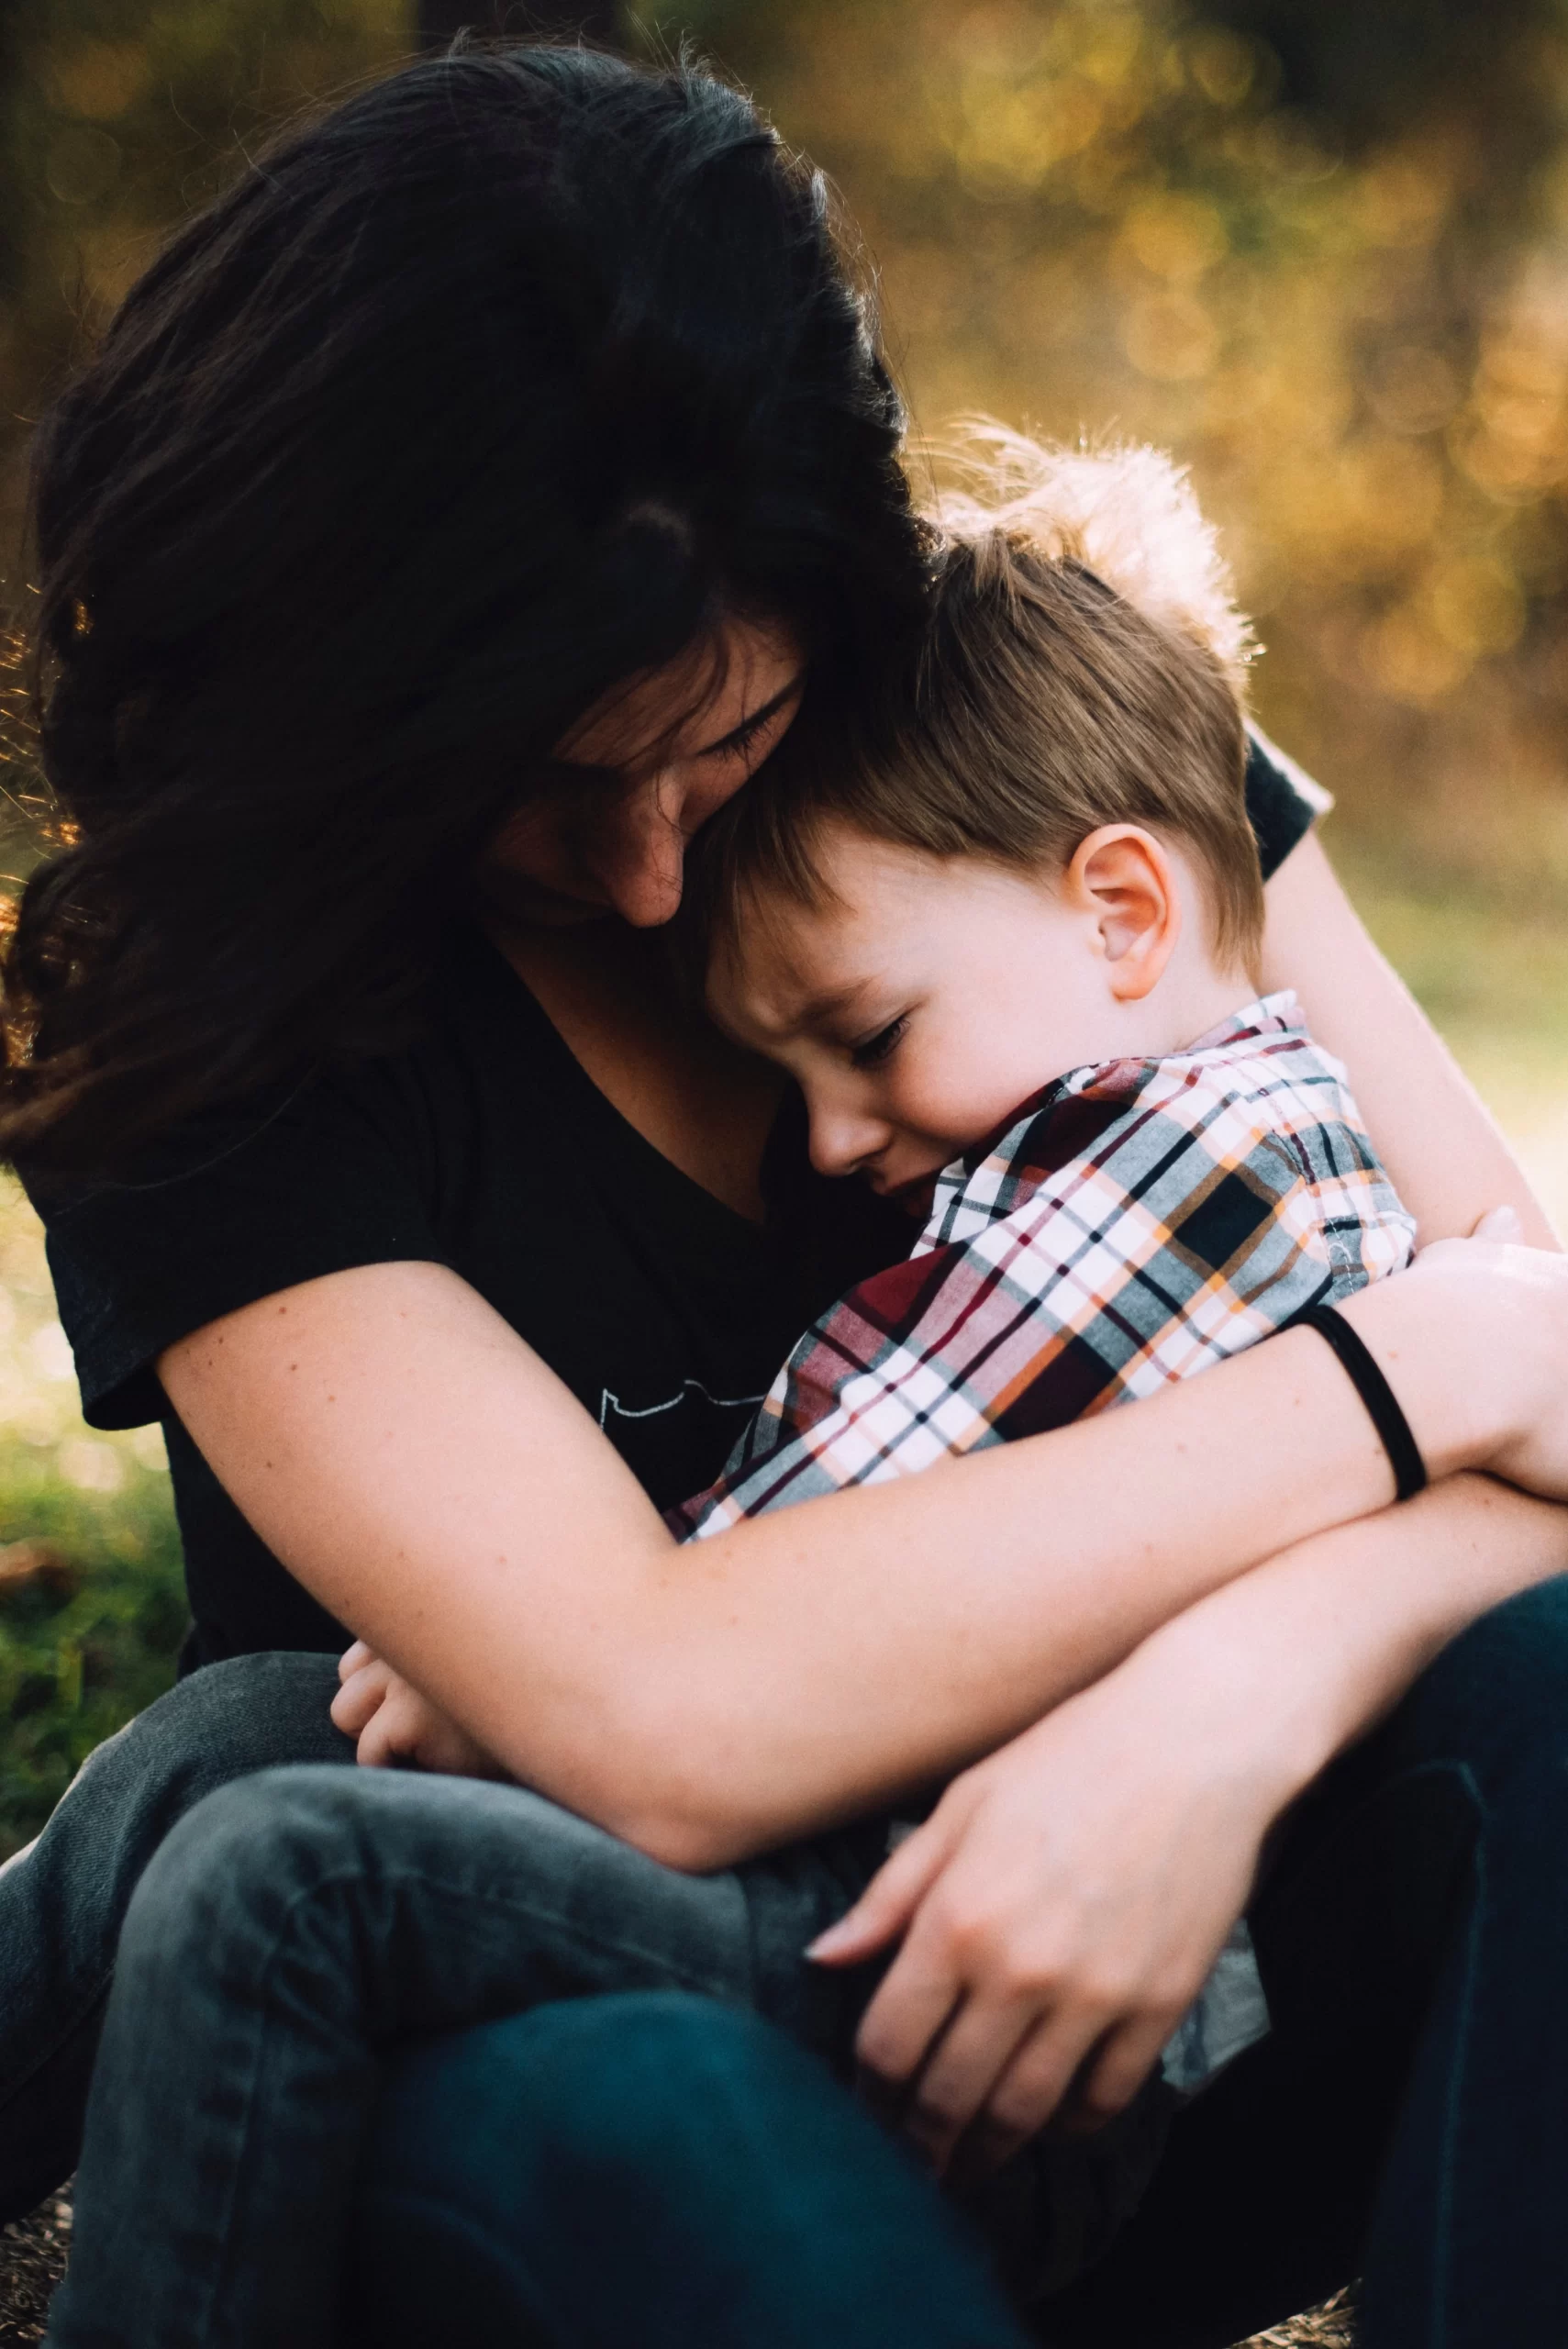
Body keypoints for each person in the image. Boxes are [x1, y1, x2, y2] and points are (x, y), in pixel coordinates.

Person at [4, 37, 1568, 2349]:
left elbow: (1542, 1367)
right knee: (622, 2099)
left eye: (718, 746)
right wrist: (1403, 1372)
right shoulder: (211, 1015)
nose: (651, 871)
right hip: (572, 2044)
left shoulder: (999, 729)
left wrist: (1219, 1703)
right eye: (538, 784)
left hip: (1116, 1977)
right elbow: (656, 1714)